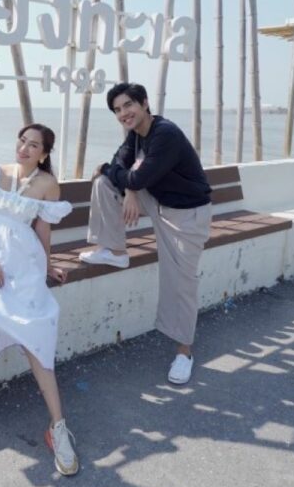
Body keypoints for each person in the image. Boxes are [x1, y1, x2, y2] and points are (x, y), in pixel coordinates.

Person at [0, 123, 79, 476]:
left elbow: (43, 228)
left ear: (44, 153)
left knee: (36, 331)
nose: (23, 148)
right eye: (22, 140)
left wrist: (48, 266)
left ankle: (57, 426)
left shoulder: (48, 184)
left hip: (25, 262)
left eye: (33, 144)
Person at [79, 82, 212, 386]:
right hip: (157, 201)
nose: (123, 113)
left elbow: (134, 175)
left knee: (180, 283)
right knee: (104, 184)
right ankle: (115, 251)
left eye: (128, 105)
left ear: (144, 103)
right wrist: (128, 188)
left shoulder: (165, 134)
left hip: (185, 215)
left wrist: (124, 178)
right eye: (117, 110)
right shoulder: (135, 136)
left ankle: (184, 353)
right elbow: (121, 166)